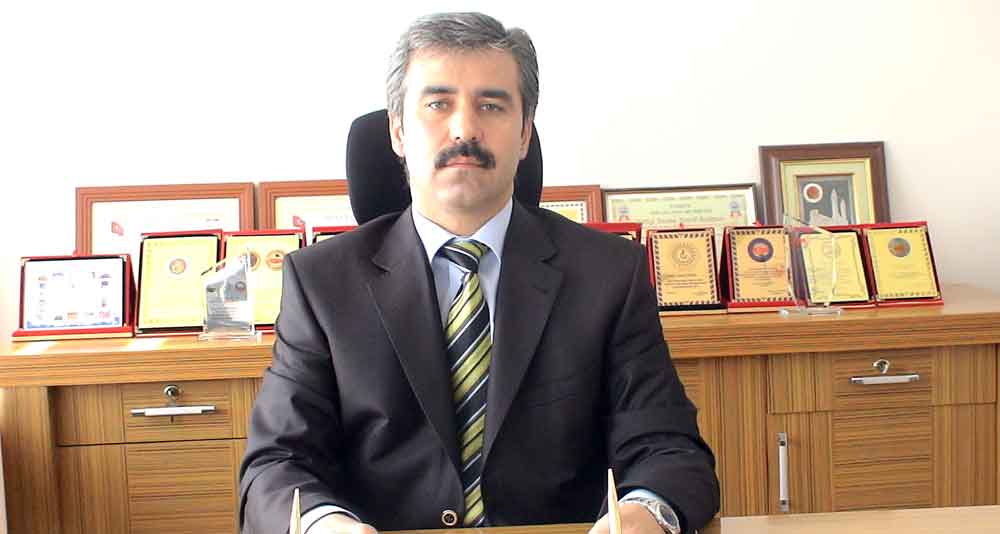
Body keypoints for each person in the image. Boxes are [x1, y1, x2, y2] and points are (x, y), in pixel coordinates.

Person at [239, 12, 719, 534]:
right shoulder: (322, 283)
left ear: (524, 134)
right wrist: (325, 524)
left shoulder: (606, 274)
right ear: (398, 131)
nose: (465, 129)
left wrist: (646, 511)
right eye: (438, 104)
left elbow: (668, 448)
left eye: (491, 105)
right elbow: (276, 463)